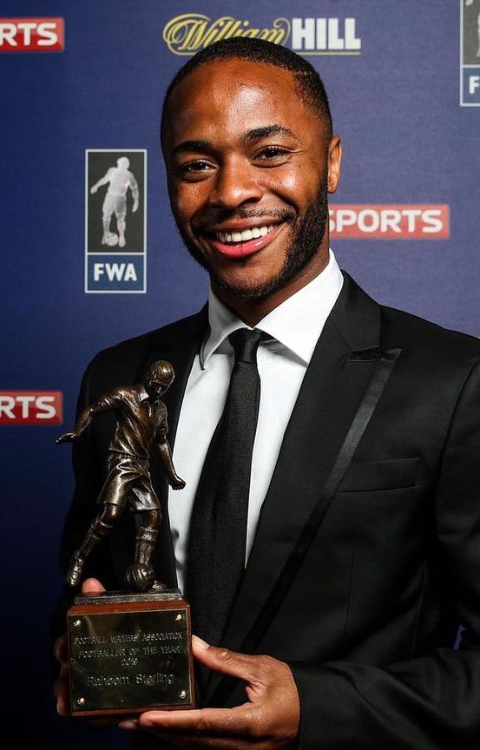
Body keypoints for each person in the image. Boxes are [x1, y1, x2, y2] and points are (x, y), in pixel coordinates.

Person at [54, 38, 480, 749]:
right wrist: (80, 647)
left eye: (270, 153)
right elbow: (96, 590)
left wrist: (317, 707)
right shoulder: (118, 375)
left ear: (333, 162)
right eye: (197, 165)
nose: (230, 192)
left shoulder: (454, 382)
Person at [56, 360, 185, 591]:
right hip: (122, 461)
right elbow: (93, 409)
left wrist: (172, 475)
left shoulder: (161, 409)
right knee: (111, 514)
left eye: (165, 387)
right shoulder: (126, 395)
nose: (159, 390)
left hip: (142, 466)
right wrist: (78, 431)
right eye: (157, 384)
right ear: (149, 377)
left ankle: (142, 574)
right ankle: (80, 557)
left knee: (153, 516)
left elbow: (162, 442)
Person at [90, 155, 139, 247]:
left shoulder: (129, 175)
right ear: (118, 163)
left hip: (120, 198)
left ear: (127, 165)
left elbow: (134, 188)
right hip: (110, 195)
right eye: (120, 164)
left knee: (120, 218)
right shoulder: (112, 170)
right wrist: (96, 186)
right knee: (106, 215)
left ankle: (121, 236)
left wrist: (136, 200)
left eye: (124, 164)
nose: (121, 165)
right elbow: (105, 180)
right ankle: (105, 233)